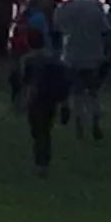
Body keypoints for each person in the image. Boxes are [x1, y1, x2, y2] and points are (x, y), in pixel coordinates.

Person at [55, 0, 110, 141]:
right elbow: (105, 29)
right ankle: (96, 120)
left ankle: (80, 127)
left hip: (72, 54)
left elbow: (57, 28)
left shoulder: (64, 7)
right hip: (93, 53)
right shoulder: (95, 6)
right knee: (93, 92)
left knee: (77, 92)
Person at [20, 42, 72, 176]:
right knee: (44, 129)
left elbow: (29, 84)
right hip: (51, 99)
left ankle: (41, 161)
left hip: (39, 99)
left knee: (40, 130)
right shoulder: (57, 63)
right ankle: (42, 160)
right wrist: (65, 104)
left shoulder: (30, 61)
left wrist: (25, 101)